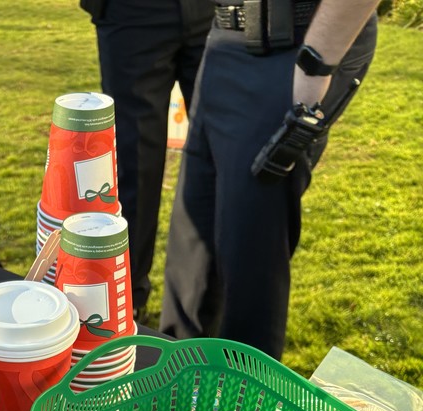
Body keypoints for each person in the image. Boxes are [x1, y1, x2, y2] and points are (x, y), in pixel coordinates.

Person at [159, 0, 380, 360]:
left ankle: (244, 402)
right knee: (192, 244)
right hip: (224, 36)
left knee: (250, 243)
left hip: (298, 43)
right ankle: (173, 388)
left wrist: (314, 66)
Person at [81, 0, 215, 319]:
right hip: (132, 12)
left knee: (219, 160)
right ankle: (127, 299)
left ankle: (204, 310)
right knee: (133, 164)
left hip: (219, 12)